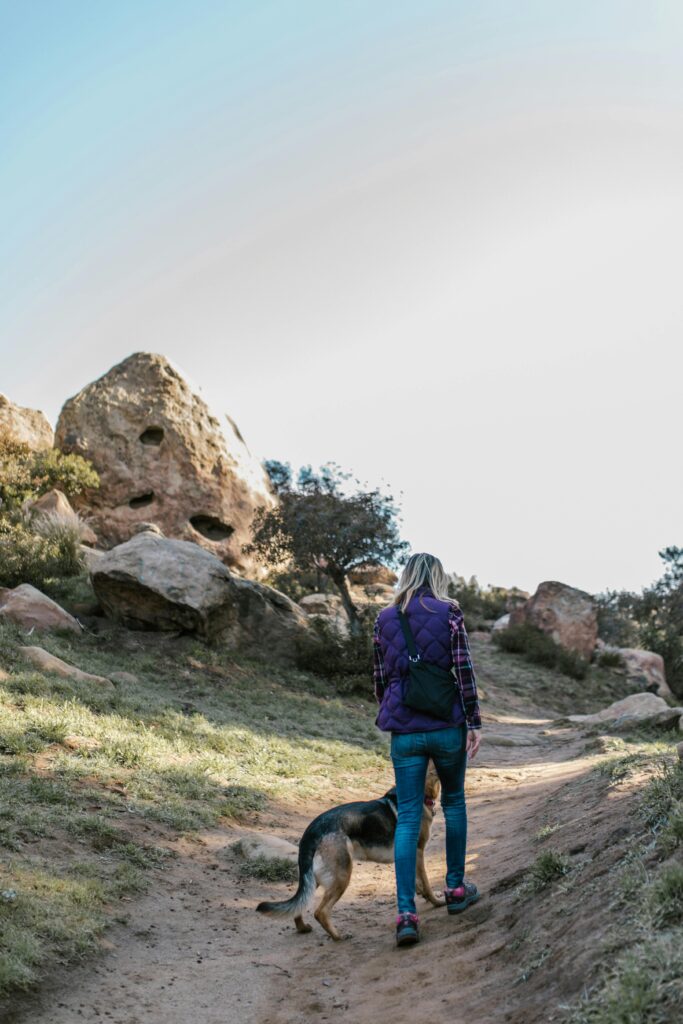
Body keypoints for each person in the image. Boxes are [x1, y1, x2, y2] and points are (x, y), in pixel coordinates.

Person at [373, 552, 482, 947]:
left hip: (405, 728)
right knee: (453, 803)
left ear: (406, 575)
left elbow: (381, 677)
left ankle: (406, 914)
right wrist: (473, 720)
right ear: (437, 577)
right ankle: (455, 890)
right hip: (446, 723)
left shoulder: (384, 618)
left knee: (405, 819)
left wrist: (394, 710)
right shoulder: (450, 612)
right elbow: (463, 669)